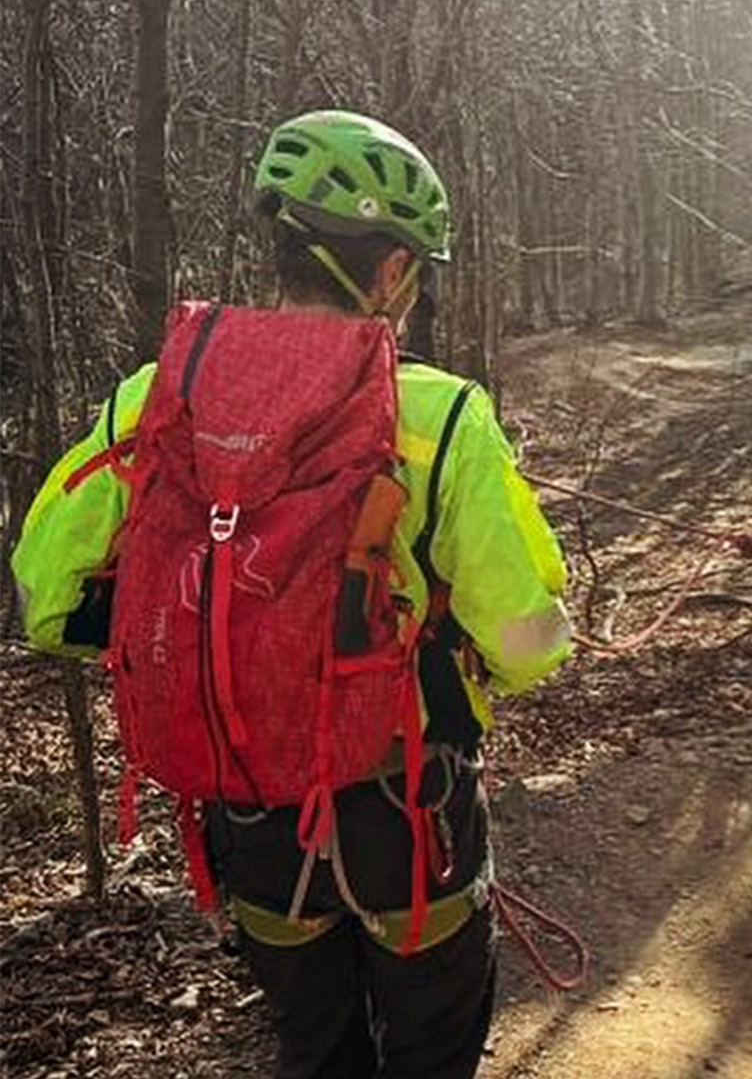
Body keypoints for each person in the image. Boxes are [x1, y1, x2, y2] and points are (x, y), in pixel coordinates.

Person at [10, 110, 572, 1079]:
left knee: (318, 1052)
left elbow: (45, 591)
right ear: (390, 272)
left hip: (253, 823)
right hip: (410, 822)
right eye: (416, 274)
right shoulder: (444, 418)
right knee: (434, 1050)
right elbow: (528, 641)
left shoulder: (160, 395)